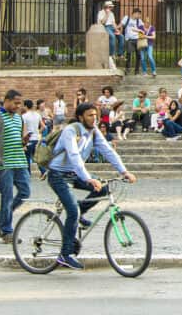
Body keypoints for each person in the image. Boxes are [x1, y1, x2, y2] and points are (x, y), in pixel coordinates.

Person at [43, 102, 136, 270]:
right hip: (57, 174)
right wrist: (88, 178)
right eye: (90, 115)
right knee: (72, 209)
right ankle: (65, 254)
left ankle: (79, 212)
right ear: (80, 117)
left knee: (104, 188)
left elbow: (108, 151)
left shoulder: (94, 132)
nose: (94, 119)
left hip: (75, 173)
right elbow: (74, 156)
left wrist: (124, 171)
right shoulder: (71, 130)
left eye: (95, 115)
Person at [0, 89, 31, 244]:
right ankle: (7, 230)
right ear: (7, 100)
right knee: (7, 197)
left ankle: (0, 218)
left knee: (25, 192)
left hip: (20, 161)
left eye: (20, 103)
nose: (18, 106)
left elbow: (17, 139)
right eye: (15, 103)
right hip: (4, 165)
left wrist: (23, 141)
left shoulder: (19, 119)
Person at [116, 9, 144, 74]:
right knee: (128, 54)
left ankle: (137, 71)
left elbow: (143, 28)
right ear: (134, 13)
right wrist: (116, 29)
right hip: (129, 39)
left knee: (139, 55)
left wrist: (139, 31)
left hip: (137, 39)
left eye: (139, 14)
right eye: (138, 14)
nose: (139, 16)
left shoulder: (139, 21)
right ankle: (127, 69)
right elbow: (121, 25)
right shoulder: (127, 18)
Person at [21, 99, 43, 172]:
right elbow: (43, 126)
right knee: (35, 157)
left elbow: (24, 129)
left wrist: (23, 139)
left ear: (26, 106)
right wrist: (38, 132)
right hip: (36, 138)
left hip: (29, 139)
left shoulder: (24, 116)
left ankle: (28, 173)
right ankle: (43, 170)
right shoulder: (37, 115)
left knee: (27, 157)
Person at [96, 0, 118, 68]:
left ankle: (120, 54)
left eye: (111, 7)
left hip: (111, 27)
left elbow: (113, 23)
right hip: (104, 27)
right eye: (110, 7)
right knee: (112, 36)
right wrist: (107, 14)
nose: (111, 8)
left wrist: (117, 30)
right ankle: (111, 54)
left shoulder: (112, 13)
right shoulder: (101, 13)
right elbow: (102, 22)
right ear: (106, 7)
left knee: (121, 37)